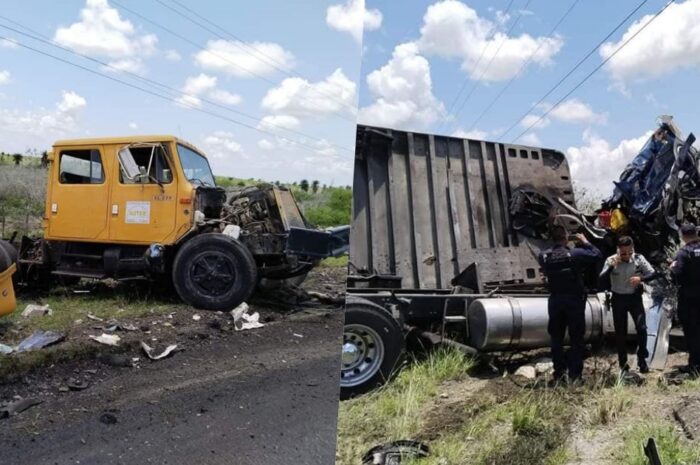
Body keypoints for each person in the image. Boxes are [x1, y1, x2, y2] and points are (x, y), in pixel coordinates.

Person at [538, 226, 602, 383]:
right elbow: (597, 255)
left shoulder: (543, 256)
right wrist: (585, 242)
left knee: (556, 339)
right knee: (576, 339)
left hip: (555, 301)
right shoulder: (575, 254)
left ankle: (559, 374)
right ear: (566, 237)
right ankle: (575, 376)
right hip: (574, 301)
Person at [599, 236, 659, 374]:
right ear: (618, 250)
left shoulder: (638, 259)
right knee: (621, 333)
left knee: (642, 328)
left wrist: (640, 279)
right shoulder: (611, 260)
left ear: (633, 249)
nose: (626, 256)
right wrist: (611, 267)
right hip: (618, 298)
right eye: (623, 253)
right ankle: (623, 364)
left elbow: (653, 274)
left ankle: (642, 359)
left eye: (629, 252)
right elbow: (600, 280)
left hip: (634, 298)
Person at [671, 223, 700, 374]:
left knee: (692, 332)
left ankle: (695, 366)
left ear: (682, 236)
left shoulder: (683, 253)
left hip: (690, 299)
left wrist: (671, 268)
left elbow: (676, 274)